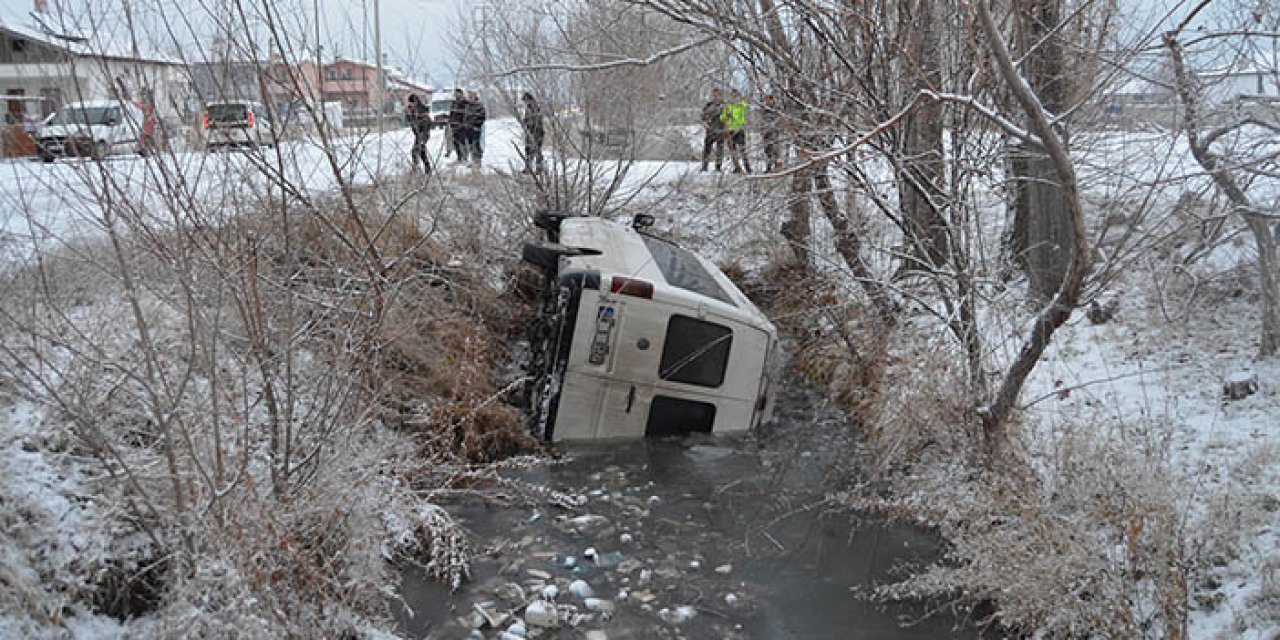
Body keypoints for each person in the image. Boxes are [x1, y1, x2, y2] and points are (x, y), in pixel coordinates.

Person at [721, 89, 750, 173]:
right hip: (730, 130)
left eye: (735, 95)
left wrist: (739, 103)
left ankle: (748, 167)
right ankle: (737, 167)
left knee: (742, 150)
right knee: (733, 151)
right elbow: (722, 117)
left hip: (739, 130)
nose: (733, 96)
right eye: (732, 95)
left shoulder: (741, 105)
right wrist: (726, 115)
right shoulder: (728, 106)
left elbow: (746, 106)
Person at [405, 93, 432, 174]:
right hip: (417, 134)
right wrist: (408, 113)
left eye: (411, 103)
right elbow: (410, 121)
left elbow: (429, 122)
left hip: (423, 133)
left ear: (415, 102)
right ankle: (427, 169)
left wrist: (423, 134)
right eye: (409, 103)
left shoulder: (422, 110)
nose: (410, 104)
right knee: (421, 151)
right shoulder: (411, 111)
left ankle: (415, 168)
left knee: (415, 150)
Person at [520, 92, 545, 174]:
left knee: (536, 150)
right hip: (530, 132)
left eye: (525, 101)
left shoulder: (534, 108)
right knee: (528, 150)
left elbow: (535, 122)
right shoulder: (529, 108)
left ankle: (538, 169)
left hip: (536, 133)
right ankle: (528, 168)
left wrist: (529, 126)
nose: (525, 103)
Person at [700, 88, 724, 172]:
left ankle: (718, 167)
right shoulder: (708, 105)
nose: (716, 96)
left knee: (720, 149)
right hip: (710, 130)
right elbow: (703, 116)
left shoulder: (724, 105)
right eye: (714, 94)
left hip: (721, 130)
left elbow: (728, 117)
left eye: (718, 94)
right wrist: (705, 124)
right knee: (707, 149)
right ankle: (704, 166)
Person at [760, 93, 782, 172]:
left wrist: (773, 127)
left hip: (774, 132)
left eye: (768, 100)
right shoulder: (764, 109)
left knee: (775, 150)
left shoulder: (776, 109)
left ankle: (777, 166)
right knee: (767, 150)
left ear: (772, 100)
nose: (767, 102)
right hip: (766, 132)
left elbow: (779, 120)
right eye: (766, 100)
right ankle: (768, 167)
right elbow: (762, 120)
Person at [464, 90, 486, 166]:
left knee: (476, 145)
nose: (470, 98)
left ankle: (478, 161)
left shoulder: (479, 106)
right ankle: (473, 161)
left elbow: (482, 117)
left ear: (475, 96)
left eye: (471, 96)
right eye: (469, 96)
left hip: (475, 129)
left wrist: (477, 126)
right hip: (468, 129)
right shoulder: (467, 105)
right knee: (470, 145)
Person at [448, 88, 469, 162]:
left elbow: (466, 114)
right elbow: (451, 113)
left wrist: (464, 122)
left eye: (458, 93)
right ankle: (459, 157)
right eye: (455, 93)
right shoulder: (454, 103)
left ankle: (465, 157)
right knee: (455, 142)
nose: (456, 95)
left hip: (462, 125)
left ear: (461, 94)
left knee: (462, 141)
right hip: (454, 126)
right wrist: (450, 121)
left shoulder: (465, 102)